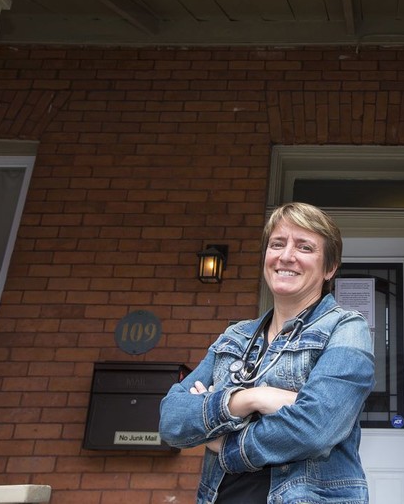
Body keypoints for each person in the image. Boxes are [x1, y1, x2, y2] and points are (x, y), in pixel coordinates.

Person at [159, 202, 375, 504]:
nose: (286, 256)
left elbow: (316, 427)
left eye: (305, 247)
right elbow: (171, 420)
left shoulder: (346, 327)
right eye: (277, 244)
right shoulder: (236, 336)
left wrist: (224, 442)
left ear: (329, 268)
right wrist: (249, 399)